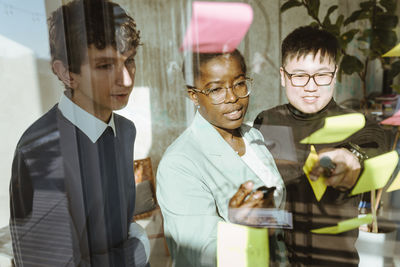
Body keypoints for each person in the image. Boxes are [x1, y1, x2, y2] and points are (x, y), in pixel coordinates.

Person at [9, 0, 149, 266]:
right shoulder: (41, 151)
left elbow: (116, 227)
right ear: (66, 73)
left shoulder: (125, 130)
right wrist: (139, 249)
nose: (127, 80)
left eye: (129, 61)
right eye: (105, 66)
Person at [253, 26, 391, 266]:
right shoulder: (267, 121)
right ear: (283, 76)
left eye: (322, 74)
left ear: (335, 74)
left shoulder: (357, 123)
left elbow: (375, 144)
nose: (311, 86)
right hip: (278, 257)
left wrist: (351, 156)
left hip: (335, 260)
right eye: (299, 75)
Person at [156, 49, 287, 267]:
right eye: (216, 89)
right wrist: (243, 229)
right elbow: (199, 254)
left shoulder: (253, 136)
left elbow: (276, 216)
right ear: (193, 95)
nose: (233, 97)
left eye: (239, 83)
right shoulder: (179, 163)